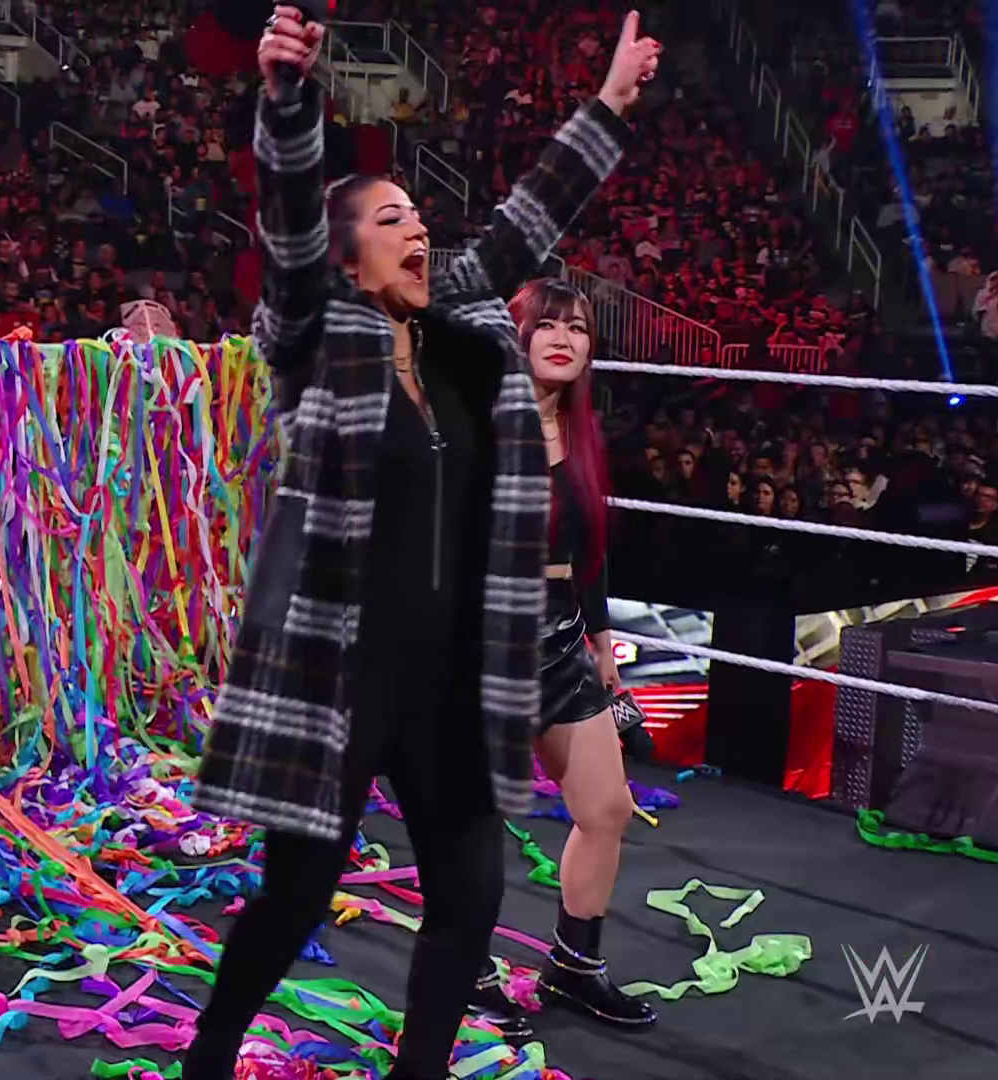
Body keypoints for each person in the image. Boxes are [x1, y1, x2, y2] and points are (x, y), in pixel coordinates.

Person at [187, 7, 657, 1078]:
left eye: (420, 218)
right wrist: (289, 99)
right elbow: (289, 215)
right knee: (297, 893)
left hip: (449, 677)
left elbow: (517, 233)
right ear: (348, 255)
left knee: (472, 895)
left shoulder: (454, 336)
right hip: (341, 676)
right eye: (393, 218)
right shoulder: (314, 332)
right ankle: (211, 1053)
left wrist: (609, 104)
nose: (419, 232)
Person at [485, 277, 655, 1027]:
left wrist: (602, 641)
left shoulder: (583, 434)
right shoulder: (476, 426)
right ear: (518, 336)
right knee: (474, 827)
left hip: (558, 635)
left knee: (607, 807)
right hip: (482, 639)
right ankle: (466, 973)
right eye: (548, 325)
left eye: (578, 328)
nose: (563, 339)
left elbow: (591, 553)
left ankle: (574, 967)